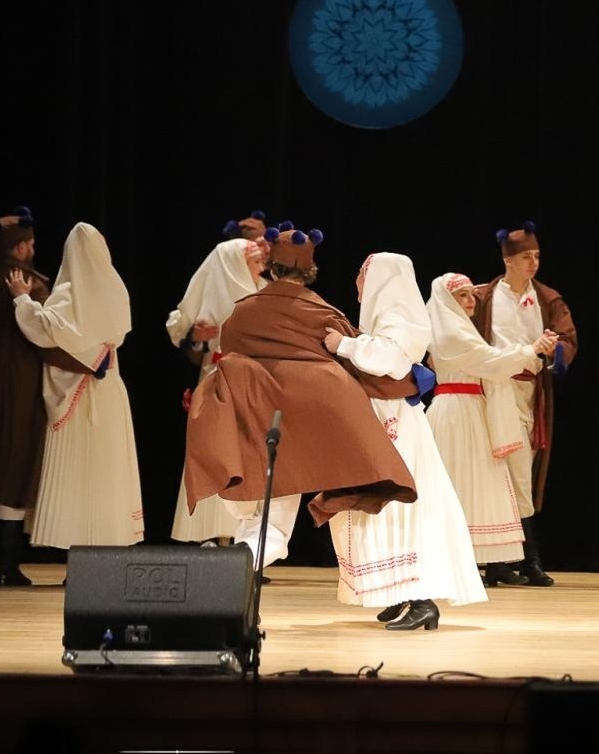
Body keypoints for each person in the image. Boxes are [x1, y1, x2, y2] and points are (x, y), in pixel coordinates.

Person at [183, 223, 417, 568]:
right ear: (309, 271)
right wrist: (409, 383)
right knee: (273, 525)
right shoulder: (322, 314)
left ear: (271, 267)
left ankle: (234, 568)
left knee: (252, 514)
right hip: (295, 431)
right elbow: (358, 365)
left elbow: (228, 355)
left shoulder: (243, 312)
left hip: (249, 425)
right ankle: (235, 564)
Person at [325, 254, 487, 630]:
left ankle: (421, 598)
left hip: (394, 419)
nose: (357, 282)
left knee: (400, 504)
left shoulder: (402, 320)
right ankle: (398, 591)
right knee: (385, 507)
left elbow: (391, 362)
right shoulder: (388, 317)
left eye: (363, 275)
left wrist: (343, 345)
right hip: (383, 415)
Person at [0, 207, 94, 585]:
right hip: (17, 393)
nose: (34, 249)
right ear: (19, 248)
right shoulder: (32, 284)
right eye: (30, 244)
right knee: (13, 474)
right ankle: (5, 568)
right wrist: (89, 364)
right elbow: (47, 339)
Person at [9, 223, 143, 549]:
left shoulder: (68, 293)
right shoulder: (115, 290)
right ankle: (103, 547)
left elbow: (45, 330)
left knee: (79, 473)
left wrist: (22, 301)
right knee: (103, 470)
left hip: (79, 394)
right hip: (107, 392)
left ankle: (77, 553)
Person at [471, 223, 573, 587]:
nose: (534, 263)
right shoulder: (483, 297)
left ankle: (521, 558)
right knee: (492, 470)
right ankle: (507, 559)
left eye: (537, 256)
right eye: (526, 257)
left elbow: (567, 337)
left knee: (521, 471)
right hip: (491, 389)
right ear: (507, 259)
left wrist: (552, 352)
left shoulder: (547, 298)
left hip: (529, 392)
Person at [425, 272, 533, 585]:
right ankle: (459, 559)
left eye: (473, 295)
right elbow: (489, 361)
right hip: (456, 410)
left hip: (472, 407)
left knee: (481, 479)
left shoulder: (458, 328)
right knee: (462, 478)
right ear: (447, 300)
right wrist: (529, 350)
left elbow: (489, 361)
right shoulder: (451, 333)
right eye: (463, 296)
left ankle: (483, 559)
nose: (471, 301)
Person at [166, 234, 267, 544]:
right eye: (255, 262)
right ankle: (208, 534)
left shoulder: (262, 294)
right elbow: (180, 328)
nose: (261, 267)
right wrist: (195, 334)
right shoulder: (209, 295)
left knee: (246, 454)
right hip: (216, 377)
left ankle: (243, 540)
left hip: (250, 383)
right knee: (214, 451)